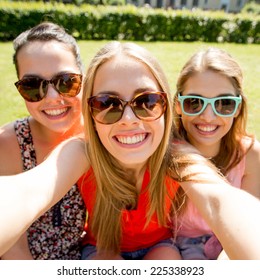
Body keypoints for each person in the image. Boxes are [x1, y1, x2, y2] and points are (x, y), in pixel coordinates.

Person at [0, 42, 260, 260]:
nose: (128, 119)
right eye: (107, 103)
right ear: (90, 113)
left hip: (159, 245)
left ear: (166, 108)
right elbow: (31, 191)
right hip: (102, 248)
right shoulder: (82, 151)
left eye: (146, 101)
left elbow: (218, 200)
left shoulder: (176, 153)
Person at [0, 22, 86, 260]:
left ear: (84, 78)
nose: (52, 97)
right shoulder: (9, 143)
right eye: (31, 85)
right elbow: (14, 250)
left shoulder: (101, 134)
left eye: (66, 81)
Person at [173, 47, 260, 260]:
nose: (208, 116)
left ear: (238, 108)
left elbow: (247, 224)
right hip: (169, 247)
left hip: (229, 245)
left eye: (224, 103)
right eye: (194, 102)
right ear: (178, 105)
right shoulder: (165, 149)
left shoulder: (250, 155)